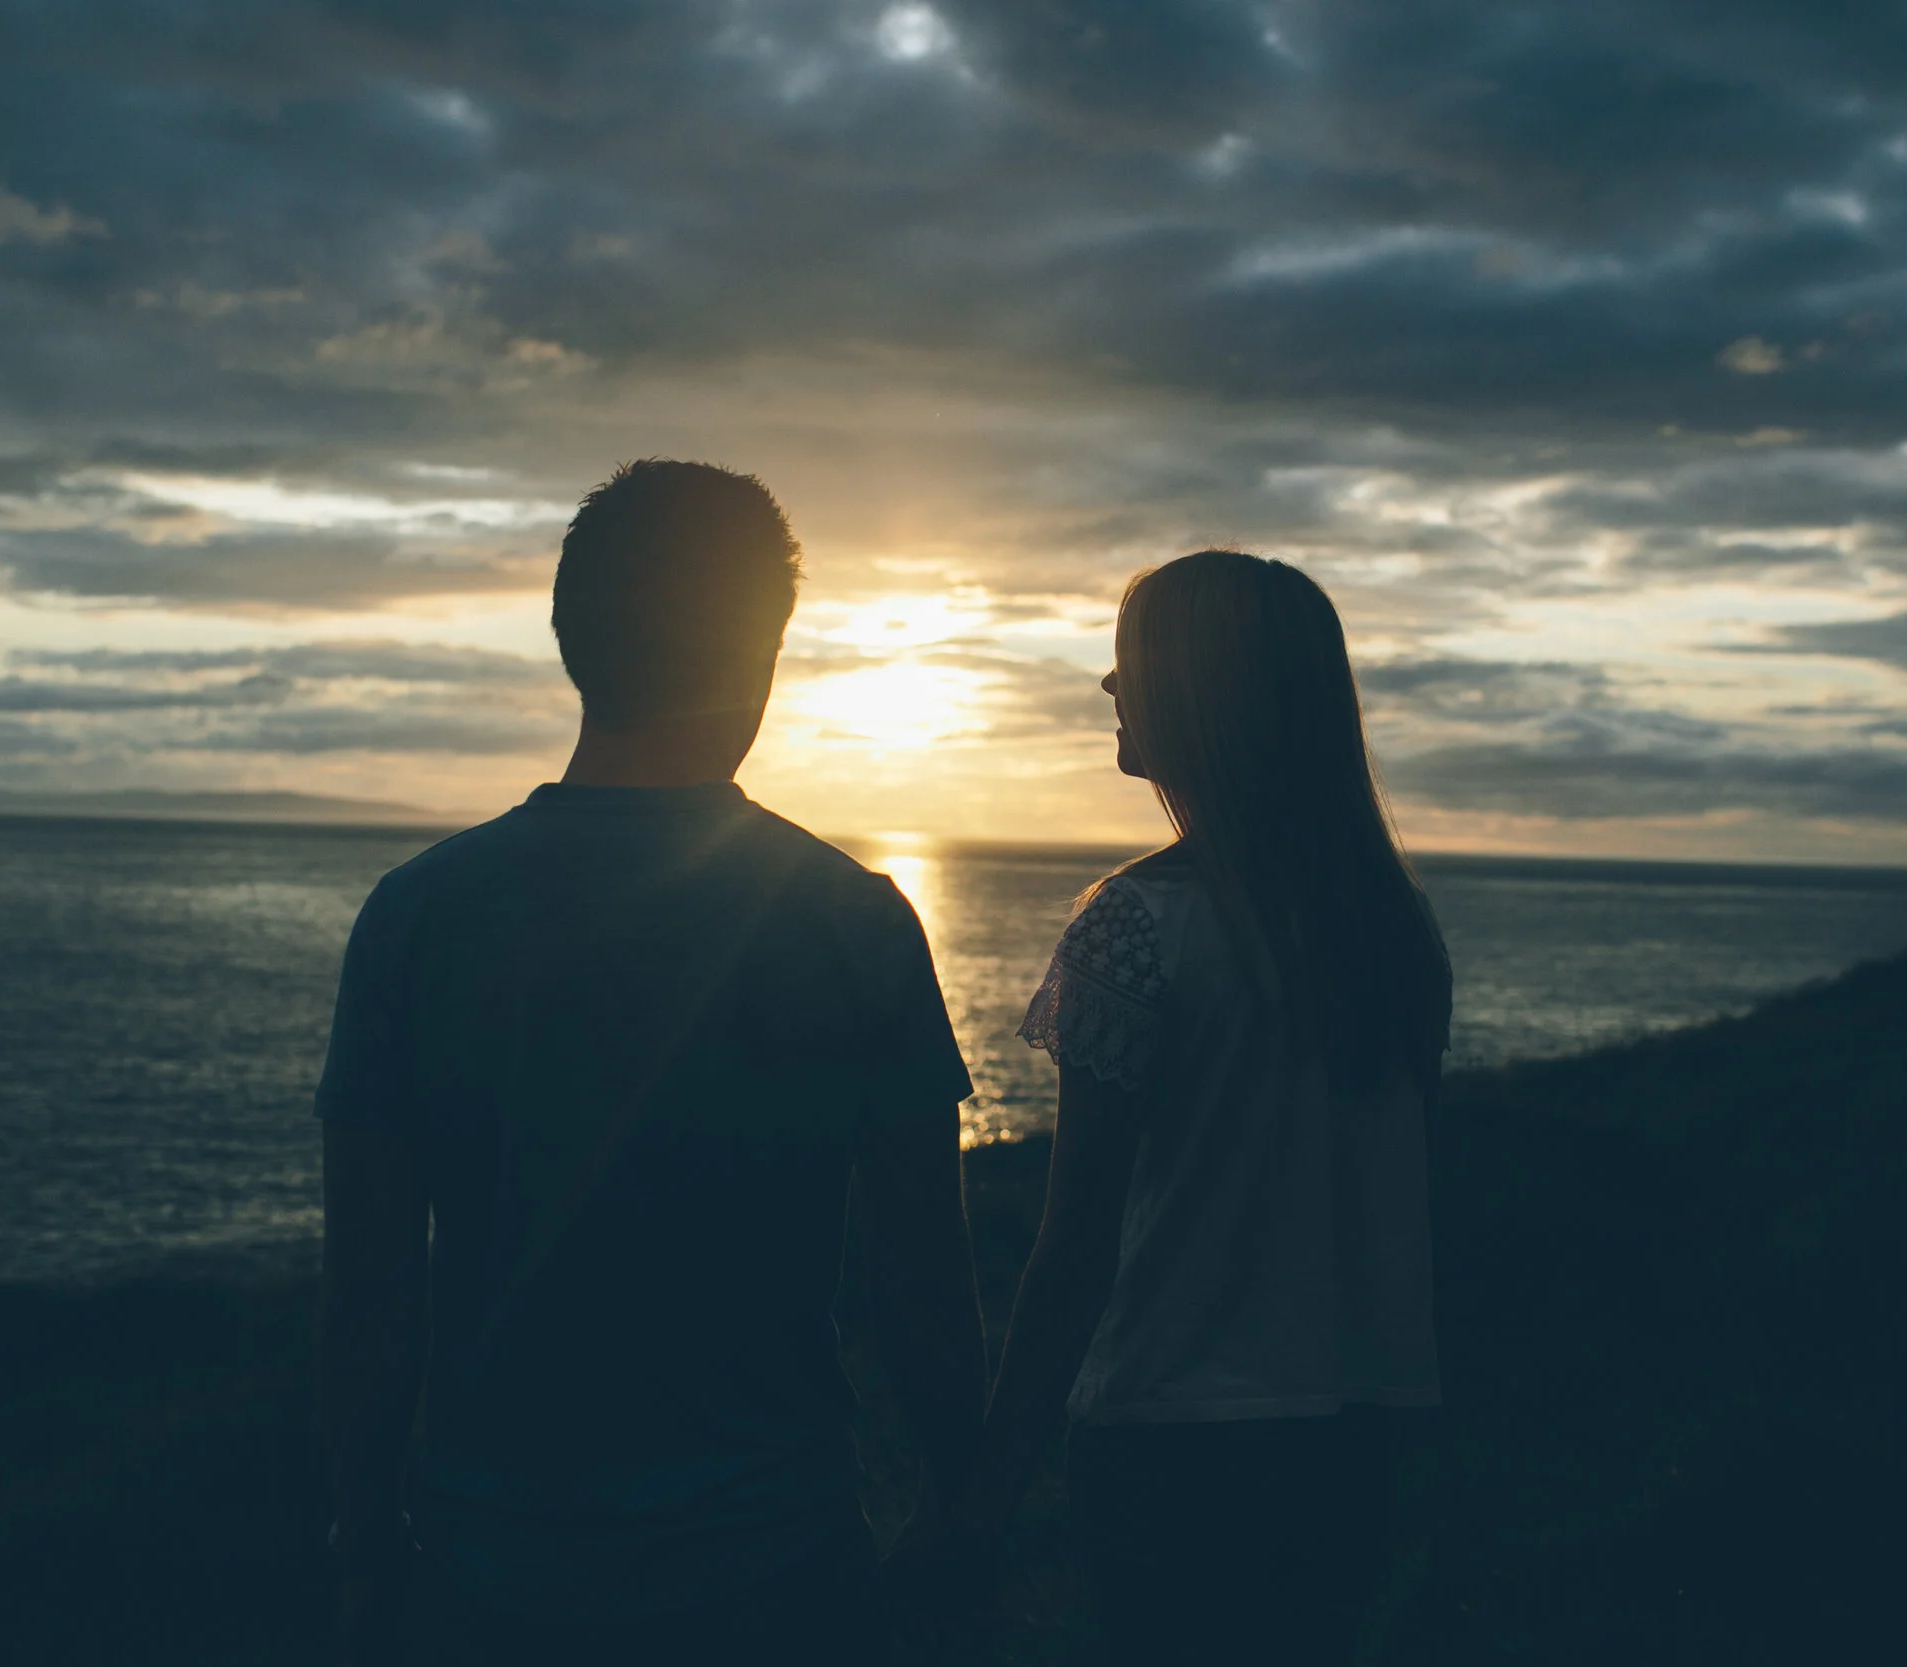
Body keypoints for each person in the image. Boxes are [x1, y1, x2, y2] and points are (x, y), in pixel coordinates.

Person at [314, 460, 988, 1666]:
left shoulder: (414, 916)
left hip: (490, 1574)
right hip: (779, 1569)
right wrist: (957, 1502)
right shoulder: (855, 922)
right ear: (764, 651)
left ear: (573, 638)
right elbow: (920, 1282)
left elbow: (372, 1296)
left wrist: (364, 1546)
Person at [943, 549, 1452, 1664]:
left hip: (1172, 1434)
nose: (1109, 687)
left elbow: (1072, 1249)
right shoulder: (1389, 926)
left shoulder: (1133, 924)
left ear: (1207, 690)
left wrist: (983, 1501)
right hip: (1361, 1435)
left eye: (1131, 662)